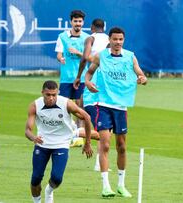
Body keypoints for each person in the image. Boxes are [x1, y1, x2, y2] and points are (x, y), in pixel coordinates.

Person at [85, 27, 148, 198]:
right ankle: (106, 186)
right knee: (105, 144)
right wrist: (87, 83)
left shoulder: (130, 56)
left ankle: (121, 185)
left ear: (123, 40)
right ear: (109, 40)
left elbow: (139, 72)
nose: (118, 42)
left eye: (120, 39)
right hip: (103, 104)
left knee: (121, 146)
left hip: (121, 107)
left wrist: (142, 78)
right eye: (115, 39)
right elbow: (89, 73)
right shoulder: (100, 56)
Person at [25, 80, 93, 203]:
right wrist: (33, 137)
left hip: (61, 144)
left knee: (57, 178)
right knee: (35, 179)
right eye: (48, 95)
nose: (51, 98)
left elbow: (87, 117)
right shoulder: (35, 105)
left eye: (54, 95)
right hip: (42, 144)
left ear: (58, 93)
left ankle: (48, 191)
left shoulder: (66, 103)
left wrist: (87, 143)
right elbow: (28, 131)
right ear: (42, 93)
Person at [73, 18, 109, 171]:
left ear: (92, 27)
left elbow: (85, 57)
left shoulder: (90, 38)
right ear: (104, 27)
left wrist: (79, 76)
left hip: (92, 81)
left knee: (101, 125)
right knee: (103, 127)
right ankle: (72, 132)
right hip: (104, 84)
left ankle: (73, 132)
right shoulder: (111, 39)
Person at [55, 10, 89, 112]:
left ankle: (80, 128)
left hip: (82, 78)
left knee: (80, 106)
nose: (78, 23)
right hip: (66, 78)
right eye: (75, 21)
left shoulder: (87, 38)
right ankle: (68, 127)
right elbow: (59, 54)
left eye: (80, 21)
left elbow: (89, 57)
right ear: (71, 22)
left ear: (83, 22)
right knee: (64, 106)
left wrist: (78, 52)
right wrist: (60, 59)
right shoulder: (62, 36)